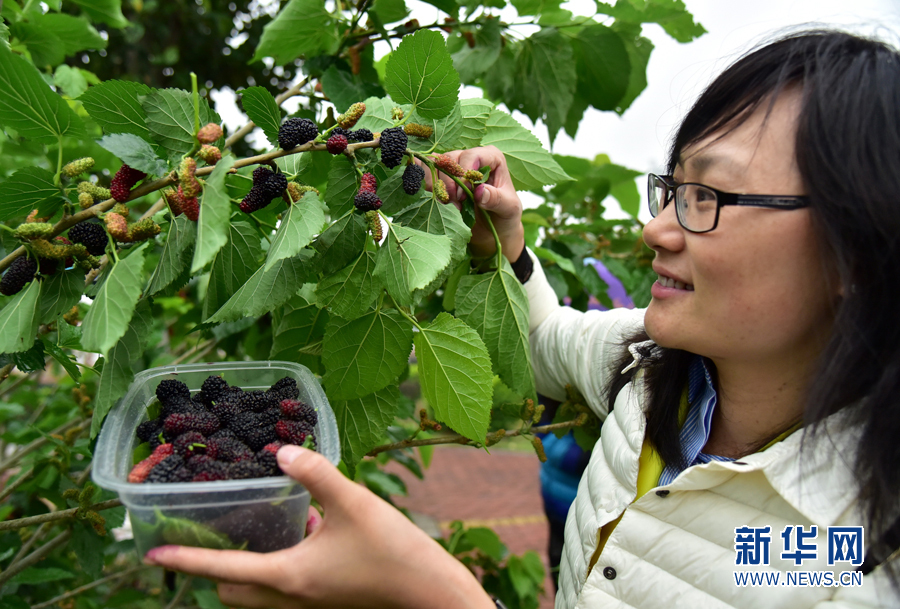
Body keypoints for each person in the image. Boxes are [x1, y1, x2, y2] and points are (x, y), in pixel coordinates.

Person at [144, 29, 900, 608]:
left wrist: (434, 592)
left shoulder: (856, 555)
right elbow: (544, 342)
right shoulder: (648, 365)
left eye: (709, 197)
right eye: (670, 188)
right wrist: (507, 245)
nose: (658, 229)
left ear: (854, 252)